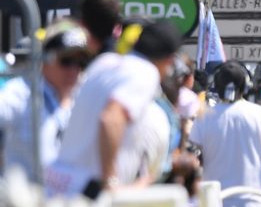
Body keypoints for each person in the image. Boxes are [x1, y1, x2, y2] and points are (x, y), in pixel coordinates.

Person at [46, 20, 181, 197]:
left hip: (59, 181)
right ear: (169, 60)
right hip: (86, 193)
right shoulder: (145, 72)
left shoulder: (104, 61)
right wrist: (110, 183)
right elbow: (111, 119)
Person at [188, 61, 261, 207]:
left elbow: (194, 158)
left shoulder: (204, 116)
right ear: (245, 85)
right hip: (252, 206)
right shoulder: (258, 114)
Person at [0, 21, 91, 177]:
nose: (74, 70)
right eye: (67, 61)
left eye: (81, 63)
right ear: (46, 59)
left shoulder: (84, 93)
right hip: (25, 197)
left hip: (70, 197)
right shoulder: (21, 92)